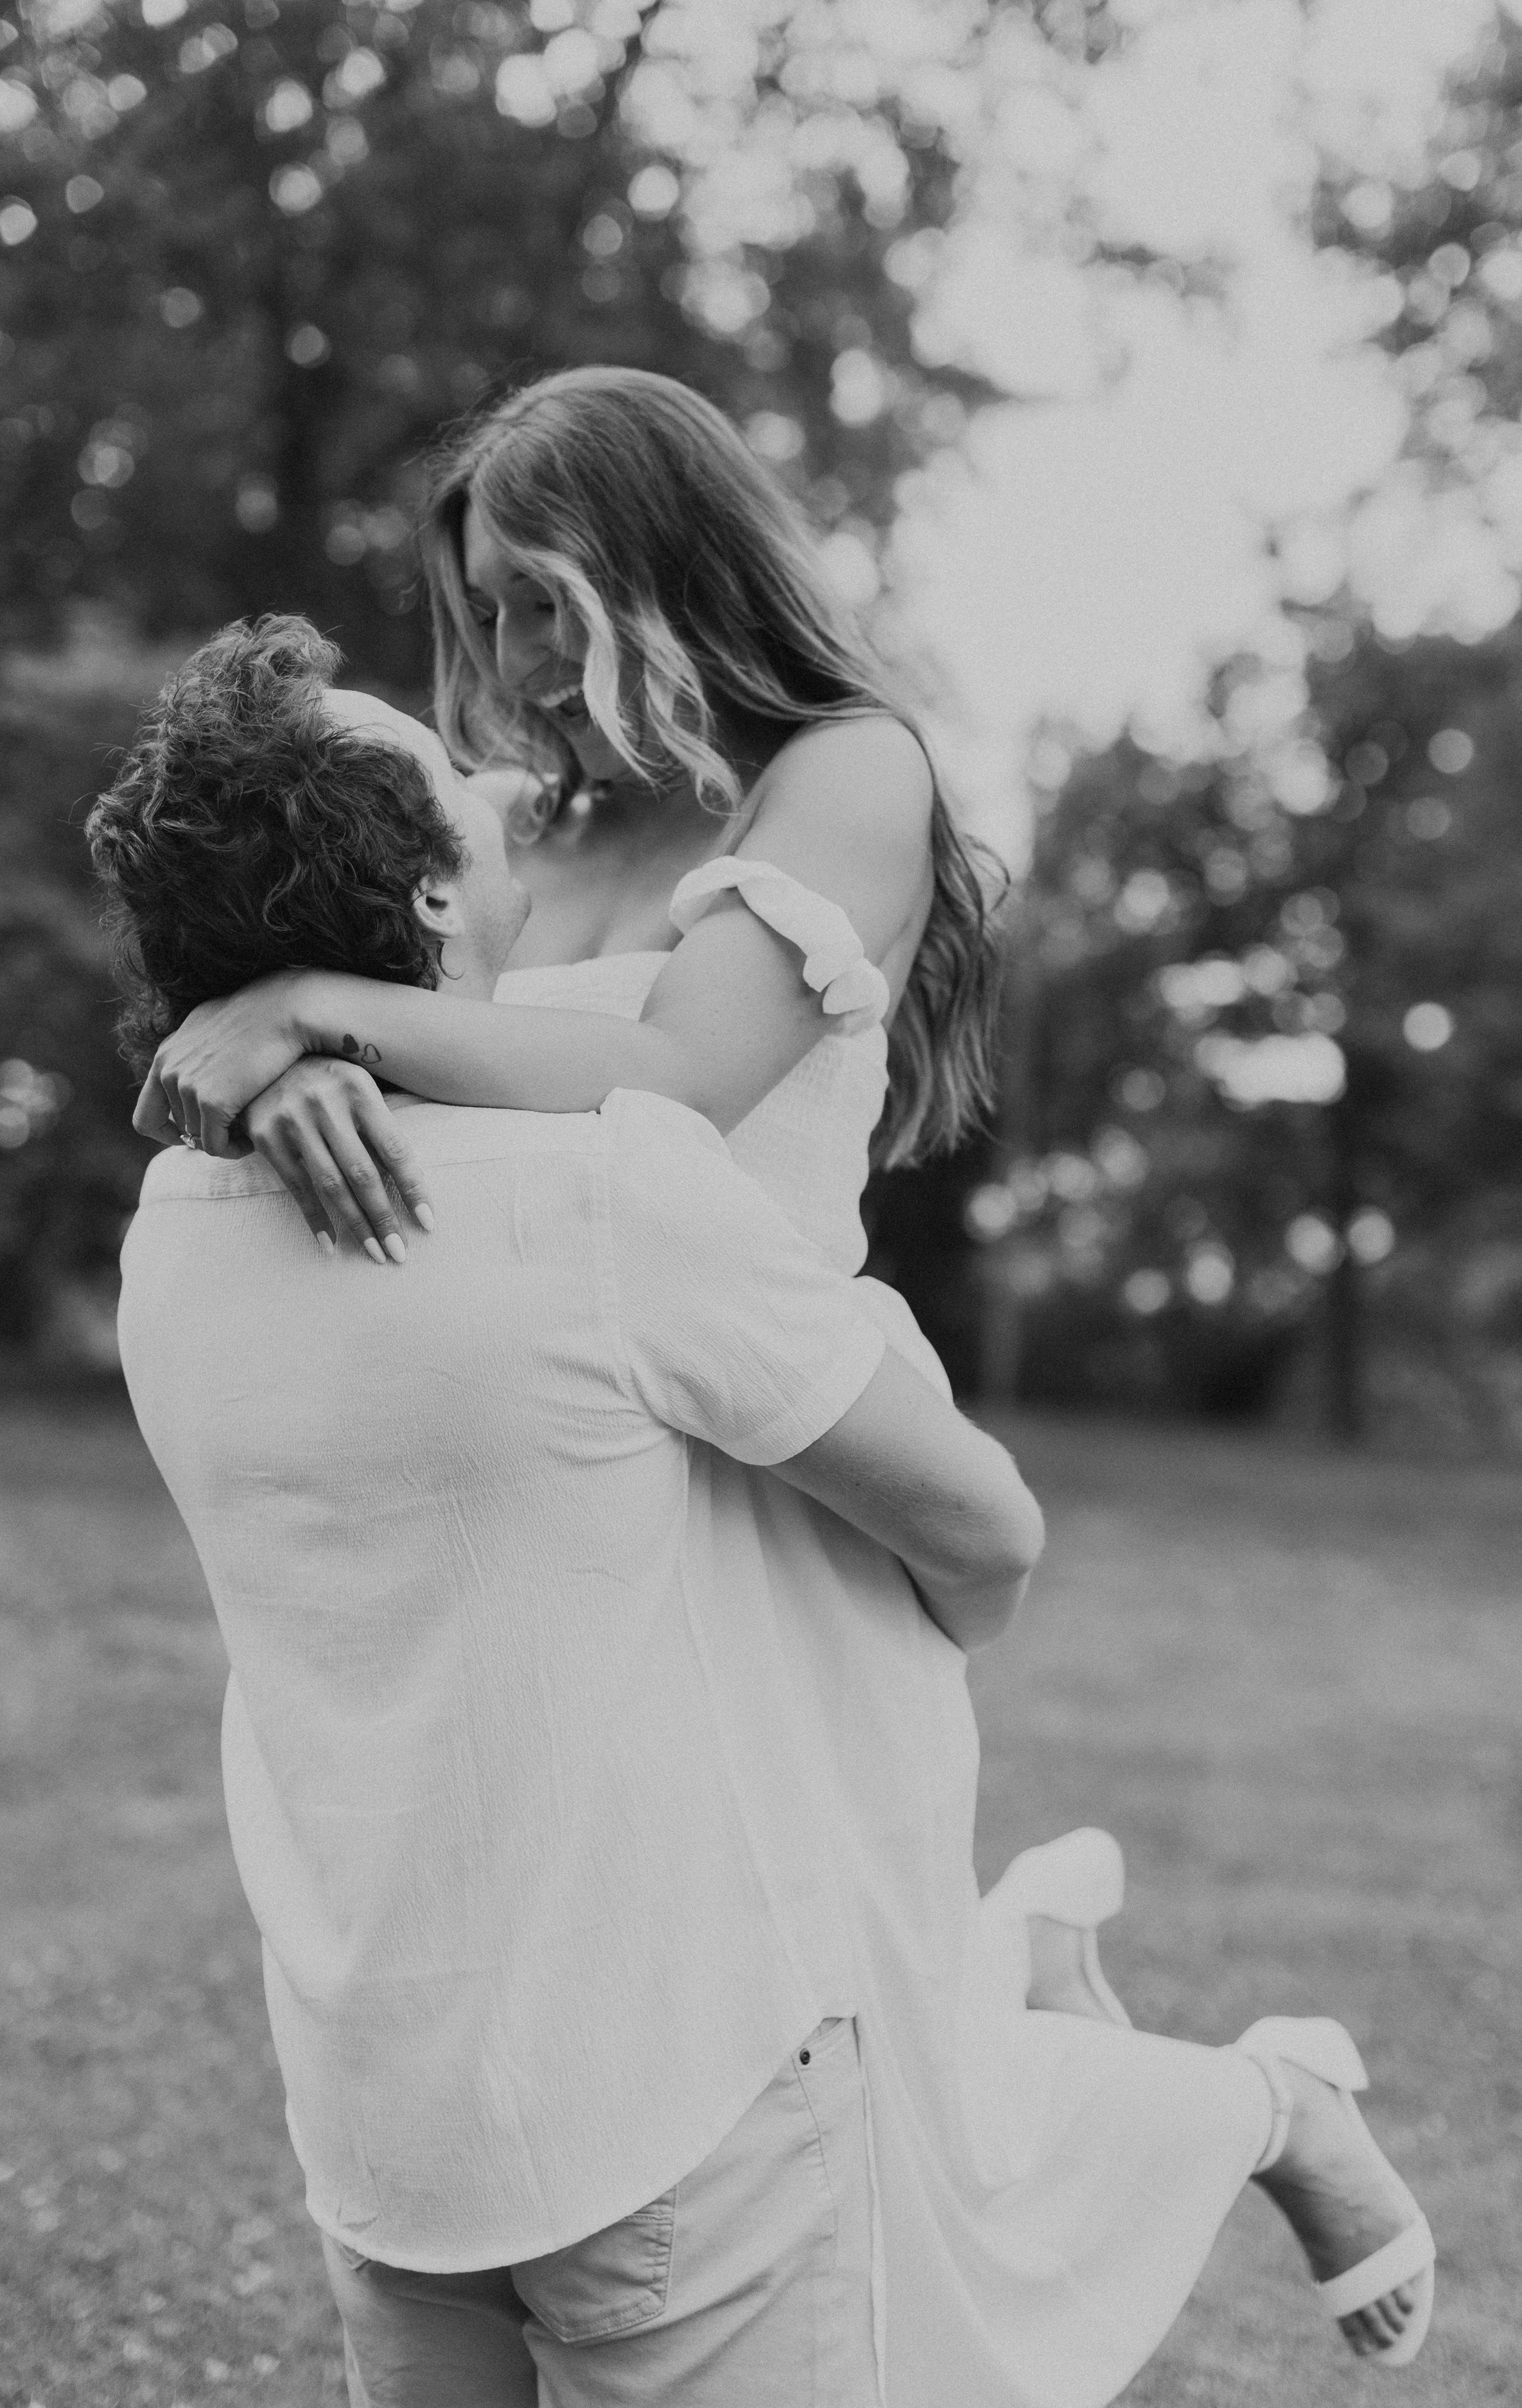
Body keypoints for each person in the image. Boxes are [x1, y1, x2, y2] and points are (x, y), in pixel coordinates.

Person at [125, 367, 1435, 2401]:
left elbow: (664, 1082)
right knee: (730, 2048)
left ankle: (1264, 2105)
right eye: (489, 611)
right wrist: (308, 1069)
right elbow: (421, 989)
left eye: (549, 602)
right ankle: (1055, 1998)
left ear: (666, 566)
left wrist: (312, 1010)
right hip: (570, 1488)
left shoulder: (840, 773)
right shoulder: (525, 818)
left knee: (817, 2075)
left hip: (781, 1465)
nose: (515, 663)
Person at [99, 614, 1047, 2405]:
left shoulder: (170, 1237)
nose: (488, 770)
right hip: (673, 2099)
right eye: (442, 770)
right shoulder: (604, 1194)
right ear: (433, 899)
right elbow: (986, 1532)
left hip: (387, 2121)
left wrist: (306, 1036)